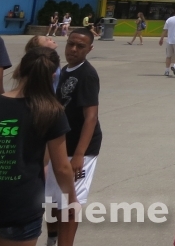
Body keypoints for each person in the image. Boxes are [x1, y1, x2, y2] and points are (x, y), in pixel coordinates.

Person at [0, 47, 77, 246]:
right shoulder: (51, 111)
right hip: (21, 207)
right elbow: (61, 167)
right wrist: (71, 197)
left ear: (18, 70)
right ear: (53, 77)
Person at [43, 29, 102, 246]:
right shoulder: (62, 71)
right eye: (71, 44)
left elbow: (91, 116)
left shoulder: (87, 74)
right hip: (59, 145)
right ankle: (52, 239)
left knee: (69, 202)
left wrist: (79, 155)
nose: (74, 50)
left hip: (81, 148)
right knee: (50, 199)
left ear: (90, 49)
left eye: (81, 46)